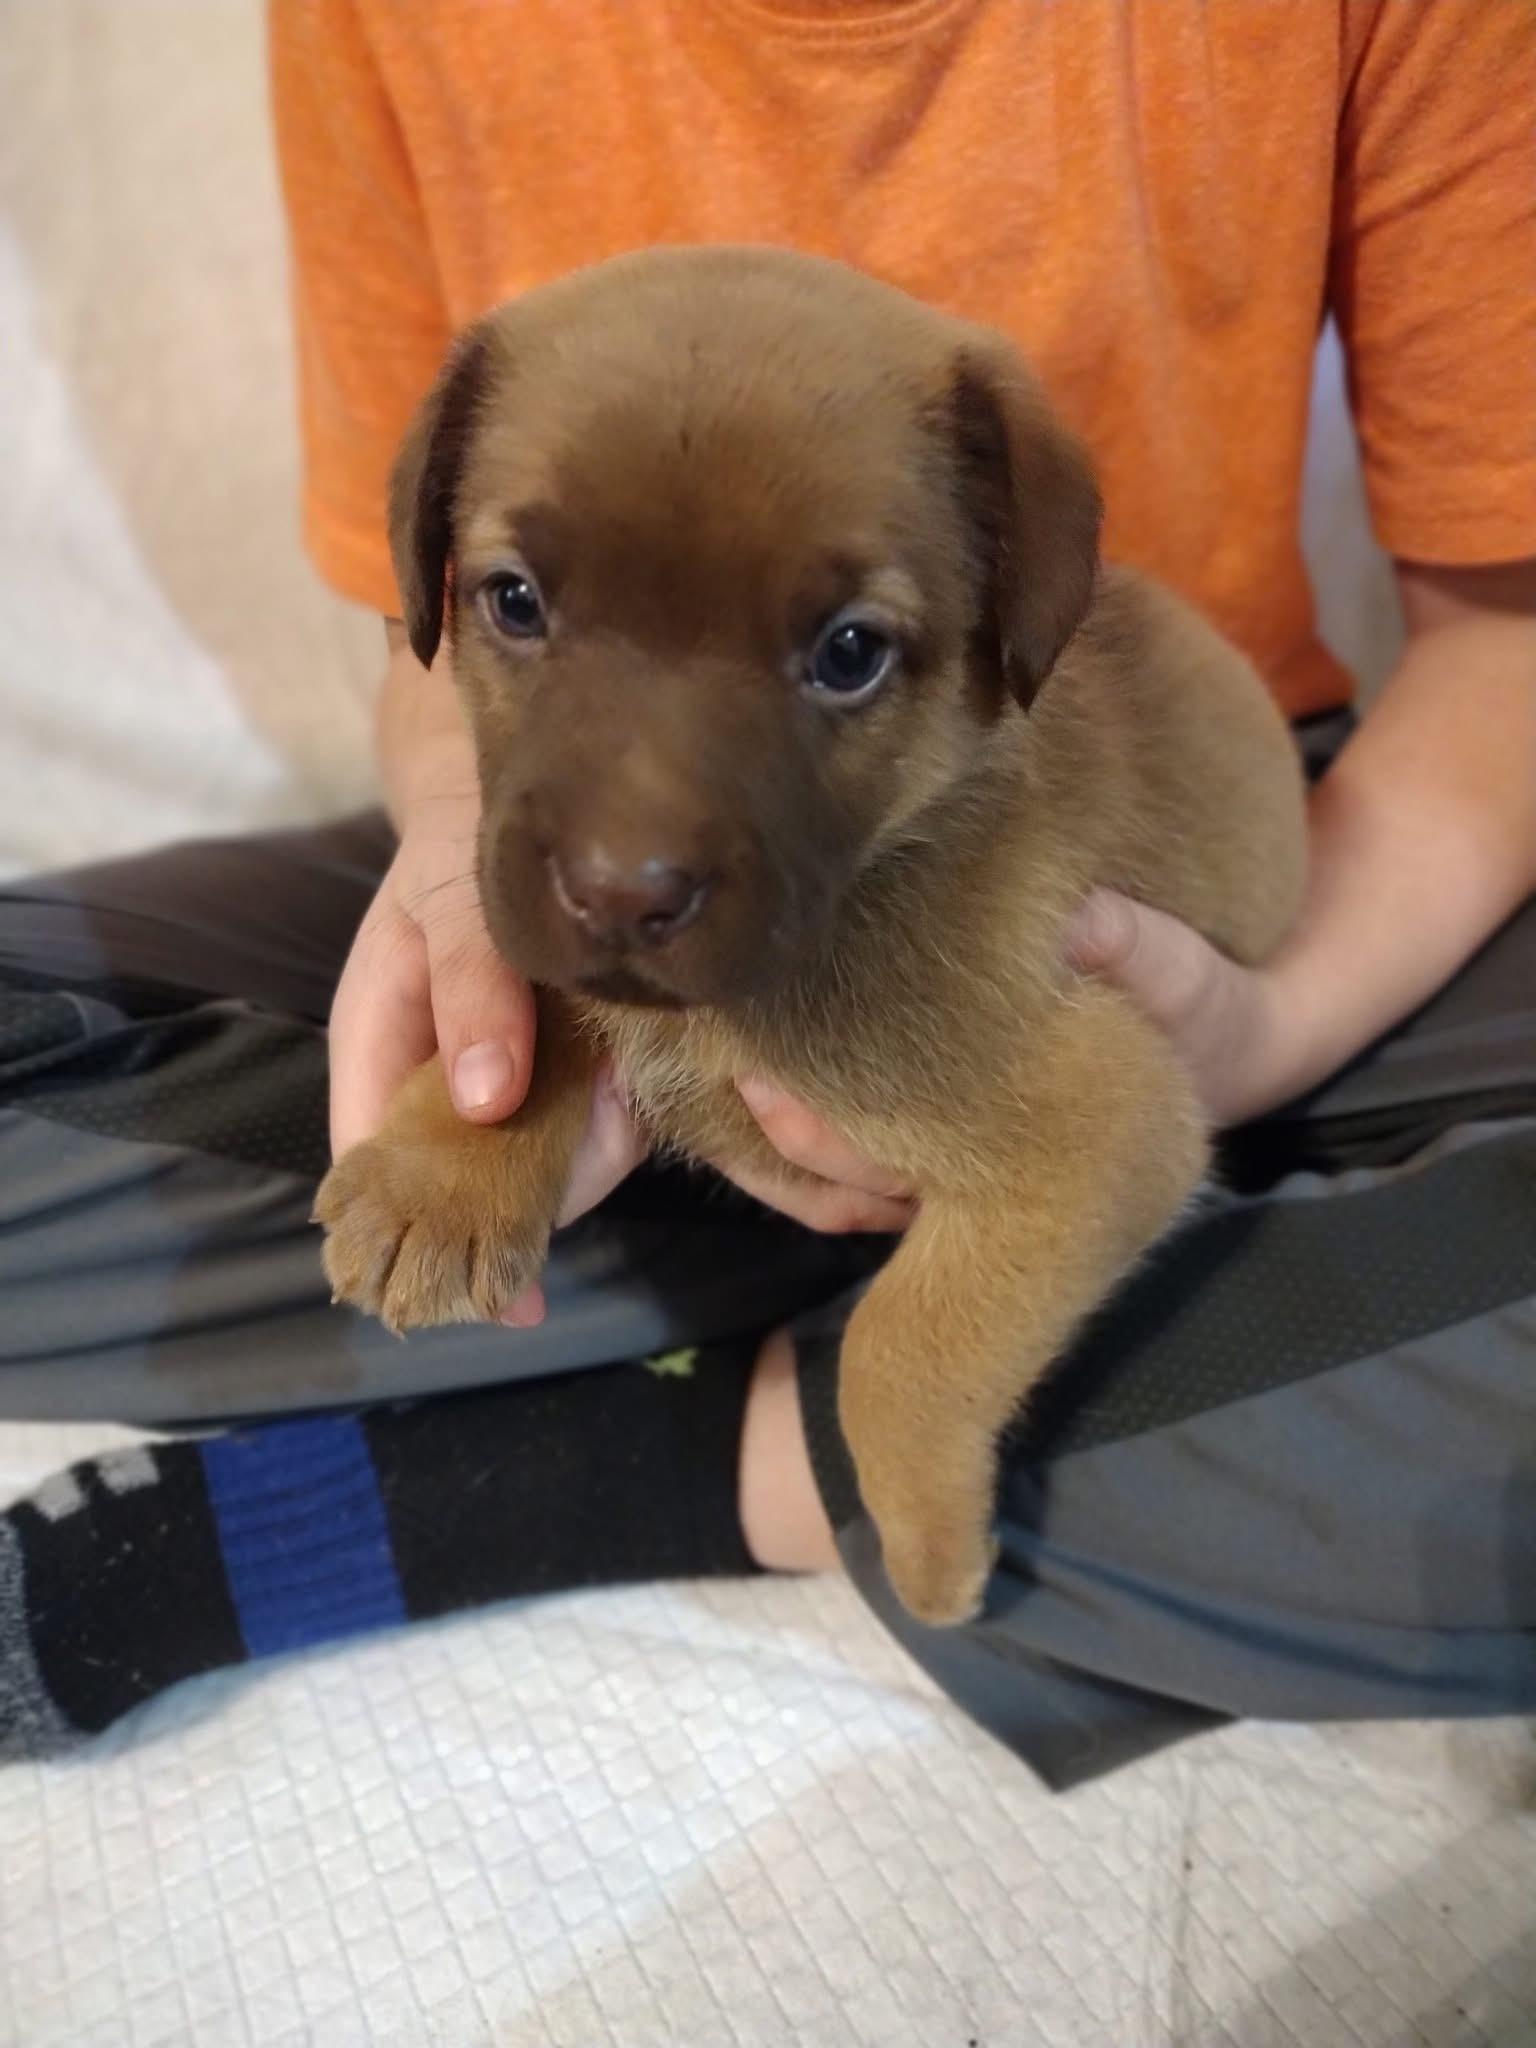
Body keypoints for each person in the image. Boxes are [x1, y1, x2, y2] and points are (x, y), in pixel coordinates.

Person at [1, 0, 1533, 1777]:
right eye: (521, 602)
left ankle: (655, 1457)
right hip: (549, 870)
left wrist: (1259, 1030)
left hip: (1274, 914)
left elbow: (1509, 647)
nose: (634, 854)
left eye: (850, 644)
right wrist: (463, 934)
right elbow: (424, 636)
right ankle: (1154, 1358)